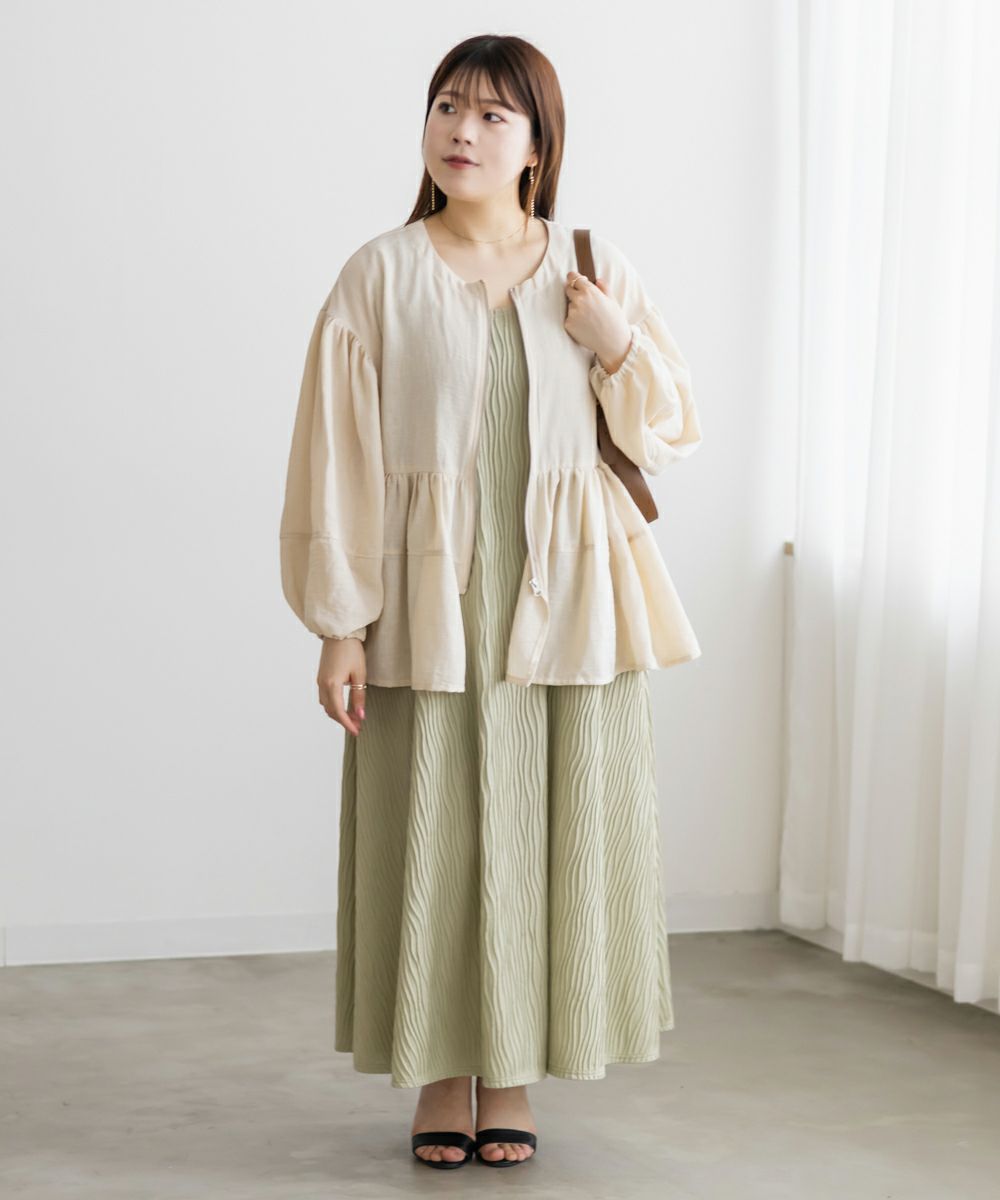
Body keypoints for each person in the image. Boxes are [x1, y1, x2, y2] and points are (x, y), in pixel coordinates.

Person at [279, 33, 703, 1170]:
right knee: (434, 830)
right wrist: (339, 625)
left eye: (491, 115)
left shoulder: (592, 265)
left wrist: (613, 343)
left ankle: (510, 1075)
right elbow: (337, 460)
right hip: (431, 607)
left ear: (536, 146)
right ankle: (439, 1074)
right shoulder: (380, 274)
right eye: (446, 108)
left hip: (566, 605)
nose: (461, 132)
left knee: (544, 831)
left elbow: (668, 427)